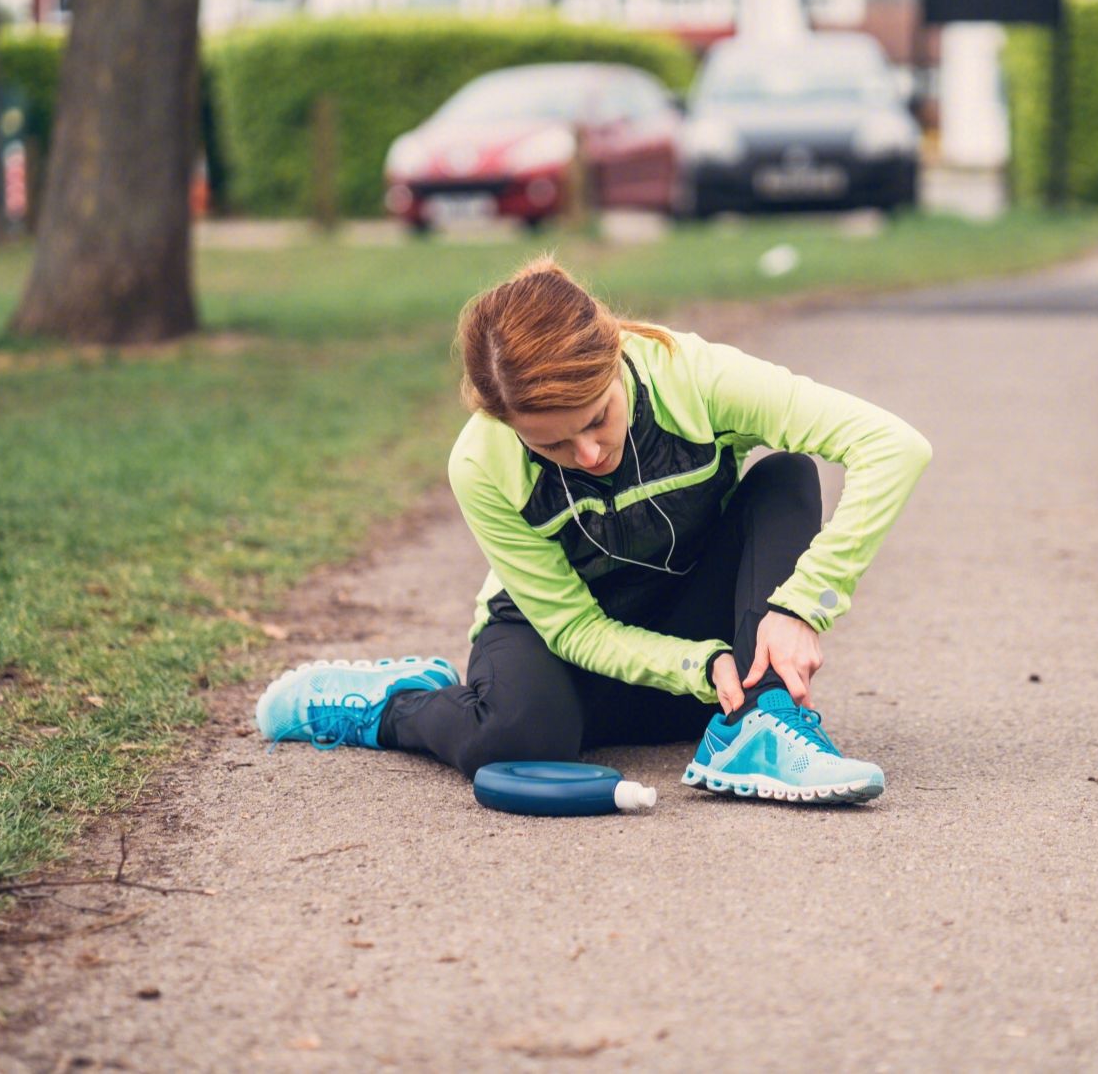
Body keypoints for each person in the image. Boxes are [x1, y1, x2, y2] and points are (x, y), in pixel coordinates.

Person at [257, 258, 931, 804]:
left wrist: (800, 602)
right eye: (552, 443)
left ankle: (758, 723)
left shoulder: (694, 376)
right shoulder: (480, 462)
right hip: (572, 639)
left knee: (785, 476)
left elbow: (892, 446)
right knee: (515, 738)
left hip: (691, 614)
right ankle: (392, 703)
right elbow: (573, 629)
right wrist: (694, 666)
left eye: (596, 418)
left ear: (613, 354)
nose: (586, 454)